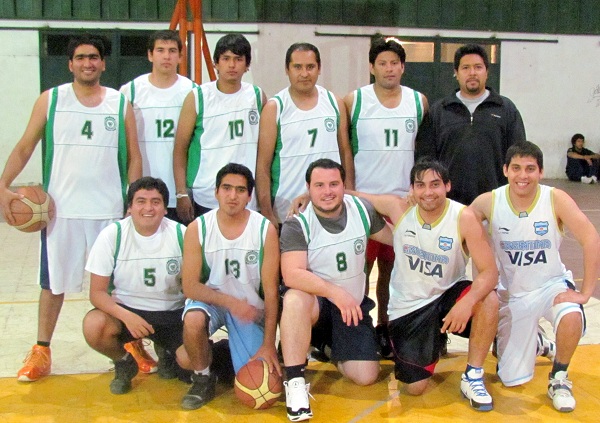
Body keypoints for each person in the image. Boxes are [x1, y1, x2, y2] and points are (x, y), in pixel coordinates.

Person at [0, 34, 142, 382]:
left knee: (115, 287)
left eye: (93, 57)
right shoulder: (51, 100)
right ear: (70, 64)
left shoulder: (119, 103)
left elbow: (134, 157)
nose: (87, 63)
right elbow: (25, 146)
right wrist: (3, 185)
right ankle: (42, 350)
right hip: (60, 212)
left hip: (109, 211)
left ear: (103, 63)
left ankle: (129, 344)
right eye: (80, 57)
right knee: (53, 285)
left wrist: (134, 201)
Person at [352, 159, 498, 411]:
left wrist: (467, 303)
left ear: (447, 186)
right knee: (415, 388)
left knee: (489, 300)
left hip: (446, 297)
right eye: (420, 185)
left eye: (435, 184)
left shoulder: (464, 217)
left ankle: (473, 375)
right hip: (408, 309)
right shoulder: (399, 208)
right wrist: (310, 195)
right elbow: (353, 197)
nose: (428, 192)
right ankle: (435, 340)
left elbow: (489, 273)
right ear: (412, 189)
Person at [470, 141, 600, 412]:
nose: (523, 175)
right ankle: (539, 343)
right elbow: (457, 224)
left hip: (551, 286)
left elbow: (591, 238)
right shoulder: (488, 202)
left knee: (571, 314)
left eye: (530, 168)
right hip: (513, 295)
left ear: (541, 172)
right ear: (505, 170)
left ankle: (559, 378)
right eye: (516, 168)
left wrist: (586, 292)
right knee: (510, 378)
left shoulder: (555, 199)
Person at [279, 158, 391, 422]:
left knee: (366, 376)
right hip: (317, 305)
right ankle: (295, 382)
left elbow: (395, 237)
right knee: (294, 299)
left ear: (344, 186)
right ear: (308, 188)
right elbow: (292, 273)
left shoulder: (361, 209)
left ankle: (323, 344)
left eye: (333, 184)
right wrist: (335, 293)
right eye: (319, 185)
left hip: (351, 308)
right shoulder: (298, 222)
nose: (327, 191)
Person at [344, 36, 428, 356]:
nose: (389, 68)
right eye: (383, 63)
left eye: (395, 63)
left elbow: (424, 151)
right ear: (372, 67)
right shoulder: (354, 101)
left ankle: (386, 327)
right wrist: (349, 194)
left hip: (403, 205)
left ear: (403, 67)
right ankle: (359, 328)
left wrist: (417, 189)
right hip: (364, 203)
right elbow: (345, 150)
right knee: (359, 272)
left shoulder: (418, 102)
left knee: (394, 275)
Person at [176, 163, 281, 410]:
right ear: (216, 192)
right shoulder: (198, 228)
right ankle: (202, 378)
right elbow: (190, 286)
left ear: (249, 196)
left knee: (260, 380)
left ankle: (219, 351)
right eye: (226, 188)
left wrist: (268, 344)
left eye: (240, 190)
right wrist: (232, 303)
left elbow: (272, 292)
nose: (232, 195)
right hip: (212, 302)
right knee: (189, 337)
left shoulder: (264, 230)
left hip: (250, 310)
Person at [82, 177, 187, 394]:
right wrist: (127, 316)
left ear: (165, 209)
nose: (148, 208)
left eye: (155, 202)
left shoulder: (181, 234)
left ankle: (167, 351)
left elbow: (194, 284)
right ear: (129, 207)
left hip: (171, 313)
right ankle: (123, 362)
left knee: (190, 365)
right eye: (141, 201)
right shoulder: (112, 235)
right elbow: (97, 293)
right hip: (127, 311)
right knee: (94, 325)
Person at [256, 42, 355, 230]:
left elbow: (345, 153)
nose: (304, 73)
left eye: (310, 67)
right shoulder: (274, 108)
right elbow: (263, 165)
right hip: (286, 210)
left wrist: (349, 196)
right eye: (297, 67)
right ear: (287, 69)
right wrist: (267, 211)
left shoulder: (334, 103)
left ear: (319, 68)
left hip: (330, 207)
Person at [415, 43, 526, 205]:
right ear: (456, 73)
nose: (472, 73)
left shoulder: (506, 109)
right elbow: (425, 158)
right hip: (449, 204)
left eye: (478, 67)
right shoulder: (439, 111)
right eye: (465, 68)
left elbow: (519, 155)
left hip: (496, 203)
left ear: (487, 72)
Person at [173, 34, 266, 223]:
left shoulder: (257, 96)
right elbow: (180, 149)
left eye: (238, 59)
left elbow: (266, 152)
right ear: (216, 63)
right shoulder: (198, 97)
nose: (232, 65)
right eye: (226, 59)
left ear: (247, 65)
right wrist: (181, 193)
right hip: (205, 196)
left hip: (246, 196)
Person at [120, 30, 195, 222]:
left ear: (180, 56)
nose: (166, 56)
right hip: (142, 191)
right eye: (160, 50)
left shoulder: (193, 91)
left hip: (179, 192)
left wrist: (182, 191)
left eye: (172, 50)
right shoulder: (131, 90)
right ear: (150, 55)